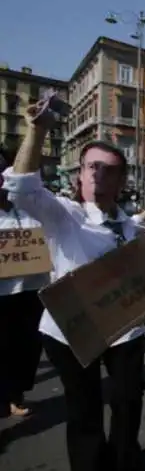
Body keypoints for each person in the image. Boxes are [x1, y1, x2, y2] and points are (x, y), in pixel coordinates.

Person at [3, 101, 145, 471]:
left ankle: (124, 465)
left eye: (109, 169)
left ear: (122, 181)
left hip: (125, 330)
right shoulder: (63, 214)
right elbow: (20, 187)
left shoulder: (130, 226)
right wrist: (38, 130)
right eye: (92, 167)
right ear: (79, 176)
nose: (99, 174)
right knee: (84, 411)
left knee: (128, 401)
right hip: (71, 331)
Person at [0, 149, 49, 418]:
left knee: (27, 347)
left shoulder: (26, 207)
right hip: (1, 294)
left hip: (31, 291)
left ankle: (16, 394)